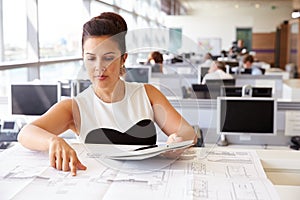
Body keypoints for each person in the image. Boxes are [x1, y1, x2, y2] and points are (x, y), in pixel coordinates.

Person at [17, 12, 196, 176]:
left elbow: (188, 133)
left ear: (123, 58)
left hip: (147, 182)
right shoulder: (74, 107)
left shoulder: (147, 94)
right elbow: (26, 133)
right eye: (91, 58)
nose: (99, 67)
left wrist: (177, 140)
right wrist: (52, 141)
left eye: (108, 57)